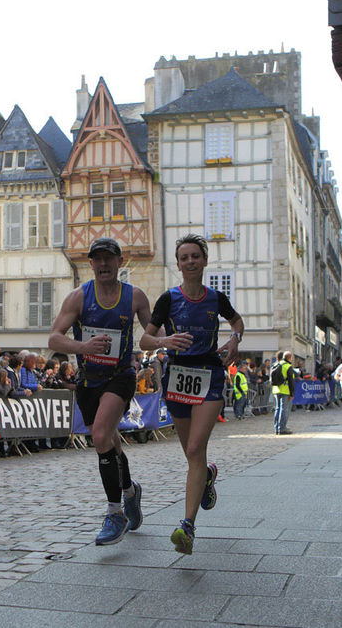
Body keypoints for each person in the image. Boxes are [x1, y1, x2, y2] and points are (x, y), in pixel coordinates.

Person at [141, 234, 245, 555]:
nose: (190, 262)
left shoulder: (216, 298)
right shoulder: (168, 299)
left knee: (197, 446)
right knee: (191, 454)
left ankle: (187, 526)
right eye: (184, 257)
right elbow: (144, 340)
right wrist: (164, 342)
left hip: (210, 375)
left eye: (195, 256)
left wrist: (234, 340)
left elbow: (237, 322)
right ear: (178, 264)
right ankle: (208, 475)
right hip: (177, 377)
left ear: (204, 261)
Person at [48, 237, 152, 547]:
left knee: (101, 437)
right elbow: (54, 339)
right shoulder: (78, 297)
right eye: (98, 259)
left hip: (120, 376)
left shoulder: (136, 297)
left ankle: (114, 513)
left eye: (110, 258)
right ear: (90, 263)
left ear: (121, 261)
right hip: (88, 380)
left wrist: (169, 341)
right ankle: (131, 491)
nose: (104, 264)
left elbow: (153, 333)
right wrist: (83, 347)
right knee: (110, 441)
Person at [271, 351, 296, 435]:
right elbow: (291, 381)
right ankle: (282, 428)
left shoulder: (276, 364)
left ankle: (277, 428)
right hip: (285, 390)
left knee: (277, 409)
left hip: (276, 390)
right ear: (289, 358)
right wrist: (292, 393)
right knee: (284, 409)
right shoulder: (288, 366)